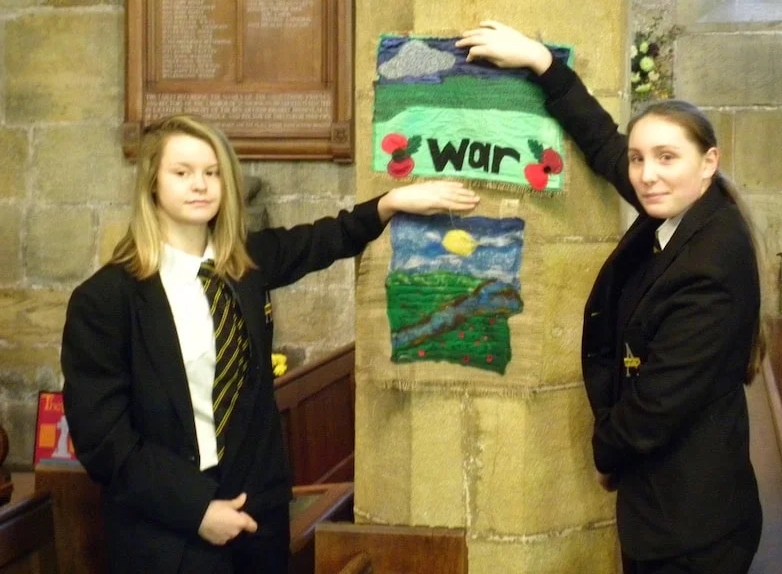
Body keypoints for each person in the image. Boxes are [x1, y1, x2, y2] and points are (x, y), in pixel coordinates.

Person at [60, 114, 479, 574]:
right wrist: (196, 510)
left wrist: (389, 203)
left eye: (212, 172)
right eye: (182, 173)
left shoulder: (246, 263)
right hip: (167, 530)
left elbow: (326, 238)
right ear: (153, 185)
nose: (200, 184)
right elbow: (105, 441)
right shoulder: (106, 299)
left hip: (259, 515)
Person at [457, 22, 764, 574]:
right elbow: (603, 145)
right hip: (673, 504)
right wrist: (541, 63)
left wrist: (607, 454)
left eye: (667, 157)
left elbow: (658, 405)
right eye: (640, 158)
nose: (647, 175)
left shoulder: (710, 264)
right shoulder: (688, 208)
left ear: (708, 161)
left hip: (691, 528)